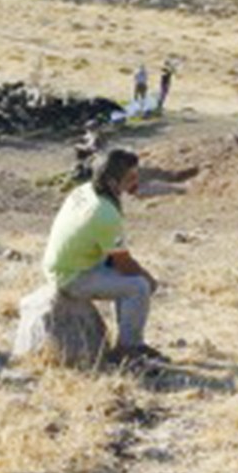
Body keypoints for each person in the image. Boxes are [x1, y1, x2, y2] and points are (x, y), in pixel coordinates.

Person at [41, 148, 158, 364]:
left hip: (63, 263)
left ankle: (129, 341)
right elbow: (123, 263)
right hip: (71, 276)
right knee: (139, 286)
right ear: (114, 182)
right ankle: (128, 349)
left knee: (130, 278)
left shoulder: (86, 190)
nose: (136, 181)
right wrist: (149, 279)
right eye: (130, 177)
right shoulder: (104, 212)